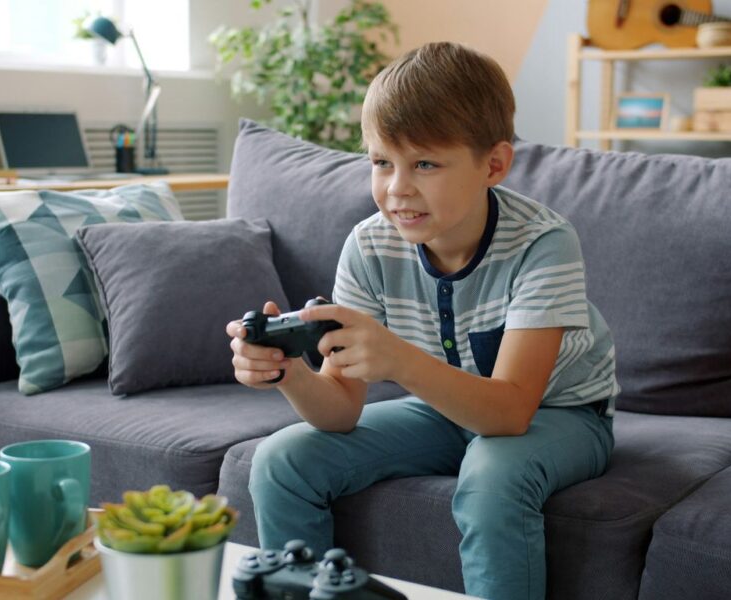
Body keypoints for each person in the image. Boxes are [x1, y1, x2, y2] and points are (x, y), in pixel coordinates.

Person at [225, 41, 617, 600]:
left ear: (495, 164)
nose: (397, 188)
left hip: (562, 414)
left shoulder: (543, 244)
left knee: (491, 476)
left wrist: (398, 359)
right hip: (443, 408)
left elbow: (507, 413)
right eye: (382, 162)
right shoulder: (369, 246)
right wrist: (289, 372)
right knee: (281, 459)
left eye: (425, 163)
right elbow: (339, 413)